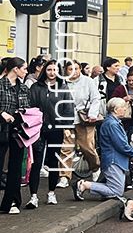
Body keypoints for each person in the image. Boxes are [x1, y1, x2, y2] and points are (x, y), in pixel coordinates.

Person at [26, 60, 72, 207]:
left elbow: (68, 109)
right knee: (36, 162)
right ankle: (33, 196)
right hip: (37, 128)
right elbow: (30, 106)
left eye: (55, 70)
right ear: (44, 71)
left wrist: (66, 127)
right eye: (49, 70)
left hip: (56, 128)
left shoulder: (63, 88)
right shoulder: (35, 87)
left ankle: (51, 192)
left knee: (53, 161)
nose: (52, 73)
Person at [77, 97, 133, 202]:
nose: (125, 109)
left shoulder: (112, 122)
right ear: (115, 109)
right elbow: (121, 145)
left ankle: (98, 190)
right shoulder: (112, 124)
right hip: (114, 160)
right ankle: (85, 185)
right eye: (123, 107)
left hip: (114, 159)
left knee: (116, 188)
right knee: (117, 191)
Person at [64, 59, 103, 179]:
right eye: (70, 69)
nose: (74, 72)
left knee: (87, 146)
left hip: (84, 119)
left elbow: (96, 98)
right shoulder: (62, 83)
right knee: (65, 148)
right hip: (67, 119)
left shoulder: (88, 81)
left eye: (76, 69)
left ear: (80, 69)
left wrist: (92, 114)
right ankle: (64, 176)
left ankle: (95, 168)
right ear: (66, 70)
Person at [0, 57, 30, 214]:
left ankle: (11, 202)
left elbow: (27, 107)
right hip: (1, 130)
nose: (26, 71)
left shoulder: (23, 88)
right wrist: (2, 113)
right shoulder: (1, 85)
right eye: (24, 68)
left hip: (18, 131)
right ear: (15, 69)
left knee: (15, 168)